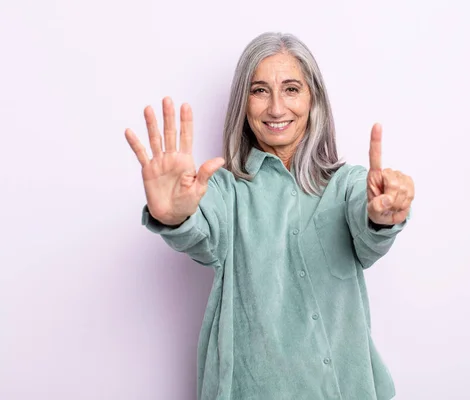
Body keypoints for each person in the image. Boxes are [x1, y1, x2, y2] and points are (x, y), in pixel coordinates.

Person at [125, 32, 415, 400]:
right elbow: (200, 231)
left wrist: (384, 216)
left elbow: (369, 229)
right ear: (243, 104)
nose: (276, 108)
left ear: (314, 99)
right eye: (260, 90)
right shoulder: (224, 190)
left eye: (291, 89)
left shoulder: (349, 185)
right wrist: (176, 217)